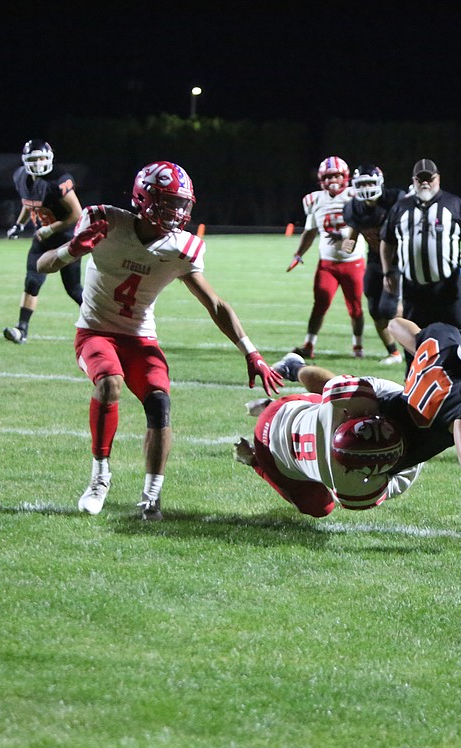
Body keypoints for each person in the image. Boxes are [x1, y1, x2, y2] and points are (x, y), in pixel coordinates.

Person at [35, 161, 285, 520]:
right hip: (95, 331)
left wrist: (251, 351)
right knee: (109, 384)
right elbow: (44, 265)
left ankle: (151, 497)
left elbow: (215, 304)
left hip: (140, 338)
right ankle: (99, 478)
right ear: (144, 198)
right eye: (169, 202)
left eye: (182, 203)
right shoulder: (104, 221)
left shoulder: (183, 247)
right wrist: (72, 250)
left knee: (159, 403)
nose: (178, 211)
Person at [269, 316, 461, 483]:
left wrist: (422, 347)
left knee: (336, 386)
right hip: (392, 446)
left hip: (391, 401)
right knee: (341, 471)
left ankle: (294, 368)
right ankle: (290, 400)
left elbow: (395, 325)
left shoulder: (445, 339)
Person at [235, 374, 422, 516]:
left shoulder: (334, 413)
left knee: (327, 398)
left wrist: (368, 407)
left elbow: (367, 385)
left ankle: (273, 399)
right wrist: (418, 452)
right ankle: (252, 459)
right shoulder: (344, 484)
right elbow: (396, 484)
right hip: (267, 454)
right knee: (321, 507)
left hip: (284, 409)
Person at [381, 159, 461, 338]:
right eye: (420, 179)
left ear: (438, 179)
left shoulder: (454, 204)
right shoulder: (401, 207)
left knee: (456, 336)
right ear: (413, 180)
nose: (425, 183)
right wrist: (387, 272)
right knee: (414, 339)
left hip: (448, 286)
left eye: (430, 178)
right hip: (414, 288)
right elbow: (386, 241)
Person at [2, 139, 84, 344]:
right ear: (25, 161)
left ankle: (104, 324)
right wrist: (19, 225)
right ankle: (22, 330)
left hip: (66, 239)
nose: (38, 163)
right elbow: (29, 204)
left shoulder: (58, 180)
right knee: (32, 282)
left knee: (73, 289)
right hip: (42, 239)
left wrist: (51, 228)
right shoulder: (21, 176)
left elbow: (77, 214)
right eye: (34, 159)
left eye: (41, 158)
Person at [287, 156, 367, 359]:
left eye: (336, 175)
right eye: (329, 176)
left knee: (355, 308)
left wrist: (346, 238)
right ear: (322, 178)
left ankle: (358, 346)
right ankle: (309, 344)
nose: (333, 180)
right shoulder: (314, 199)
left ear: (345, 176)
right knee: (320, 304)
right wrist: (299, 254)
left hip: (353, 262)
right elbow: (310, 231)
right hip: (327, 263)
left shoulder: (354, 196)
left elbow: (362, 225)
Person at [339, 164, 404, 365]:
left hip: (397, 259)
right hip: (375, 259)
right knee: (375, 309)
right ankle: (393, 352)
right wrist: (347, 243)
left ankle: (416, 333)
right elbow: (353, 233)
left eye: (370, 182)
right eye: (362, 183)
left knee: (388, 309)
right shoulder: (354, 208)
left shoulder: (395, 200)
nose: (366, 187)